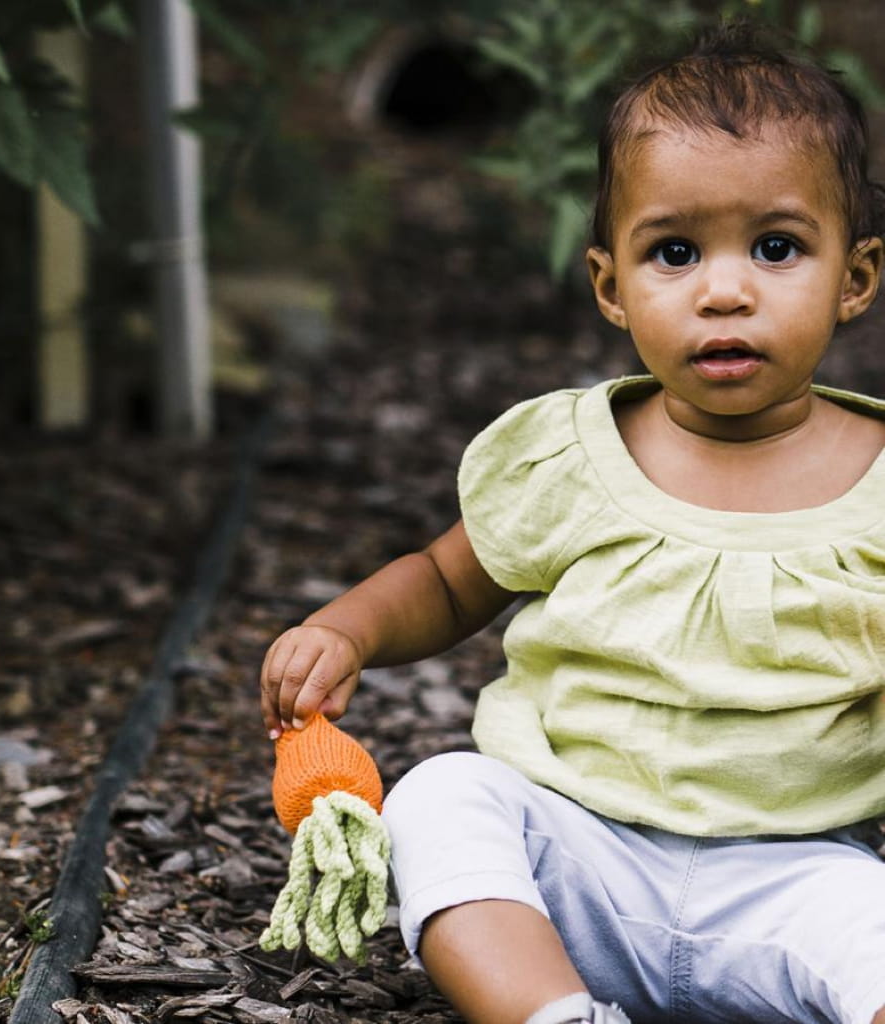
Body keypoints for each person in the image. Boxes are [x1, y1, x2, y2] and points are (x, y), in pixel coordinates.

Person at [258, 21, 885, 1024]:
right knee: (441, 799)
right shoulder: (571, 455)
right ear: (611, 285)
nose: (724, 290)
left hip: (792, 881)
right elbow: (449, 578)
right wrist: (349, 630)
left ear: (853, 278)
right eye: (674, 252)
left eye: (775, 247)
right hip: (575, 861)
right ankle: (553, 1012)